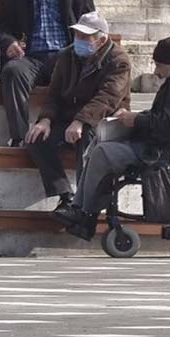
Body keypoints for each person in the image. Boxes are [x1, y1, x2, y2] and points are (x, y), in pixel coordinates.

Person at [54, 36, 170, 239]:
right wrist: (136, 118)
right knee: (99, 144)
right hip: (161, 144)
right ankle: (82, 210)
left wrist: (137, 120)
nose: (156, 71)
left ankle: (83, 211)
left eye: (159, 65)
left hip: (161, 150)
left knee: (102, 152)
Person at [24, 12, 131, 217]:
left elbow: (108, 97)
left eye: (85, 37)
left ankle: (84, 204)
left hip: (102, 119)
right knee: (35, 138)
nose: (80, 40)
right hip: (68, 117)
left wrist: (81, 120)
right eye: (78, 35)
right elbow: (54, 93)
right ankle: (64, 194)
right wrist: (45, 119)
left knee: (89, 137)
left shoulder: (119, 60)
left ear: (102, 39)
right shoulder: (67, 55)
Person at [0, 0, 95, 147]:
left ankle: (72, 133)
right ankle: (20, 136)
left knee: (78, 73)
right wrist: (9, 42)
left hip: (65, 55)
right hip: (30, 57)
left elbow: (92, 28)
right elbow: (0, 29)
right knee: (13, 72)